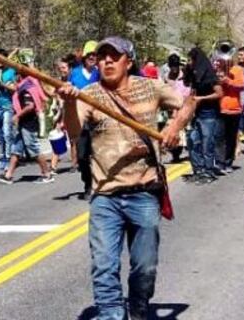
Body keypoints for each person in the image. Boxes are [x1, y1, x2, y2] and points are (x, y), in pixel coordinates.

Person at [58, 36, 192, 320]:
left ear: (128, 62)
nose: (106, 61)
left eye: (114, 56)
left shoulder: (150, 87)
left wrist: (174, 126)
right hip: (105, 196)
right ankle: (111, 314)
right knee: (104, 265)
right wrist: (69, 103)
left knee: (145, 268)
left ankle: (139, 306)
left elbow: (188, 102)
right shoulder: (89, 94)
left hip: (144, 193)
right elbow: (73, 131)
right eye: (102, 56)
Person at [0, 69, 53, 184]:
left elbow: (30, 106)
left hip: (29, 122)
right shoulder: (24, 87)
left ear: (19, 76)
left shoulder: (26, 88)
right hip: (24, 122)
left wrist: (17, 115)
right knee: (16, 149)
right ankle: (8, 175)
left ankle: (47, 174)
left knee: (33, 148)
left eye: (16, 75)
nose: (14, 78)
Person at [184, 47, 224, 184]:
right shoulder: (196, 75)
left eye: (190, 60)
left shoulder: (209, 75)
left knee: (207, 143)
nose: (189, 63)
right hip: (197, 114)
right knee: (192, 141)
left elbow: (219, 94)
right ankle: (198, 170)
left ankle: (209, 171)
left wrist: (202, 99)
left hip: (209, 114)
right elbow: (192, 90)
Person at [71, 41, 100, 197]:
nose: (92, 57)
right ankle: (88, 184)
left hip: (97, 119)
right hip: (80, 118)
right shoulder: (75, 73)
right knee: (82, 156)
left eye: (94, 55)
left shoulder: (100, 73)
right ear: (84, 57)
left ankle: (99, 184)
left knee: (99, 154)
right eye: (89, 55)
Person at [0, 49, 19, 175]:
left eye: (0, 58)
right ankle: (1, 158)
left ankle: (8, 159)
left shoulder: (11, 71)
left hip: (7, 106)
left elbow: (15, 88)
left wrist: (3, 85)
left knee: (7, 134)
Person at [217, 53, 244, 173]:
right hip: (219, 108)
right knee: (219, 138)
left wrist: (227, 80)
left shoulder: (238, 69)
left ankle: (228, 162)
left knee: (231, 138)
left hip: (234, 110)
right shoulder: (217, 69)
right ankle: (219, 162)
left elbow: (242, 85)